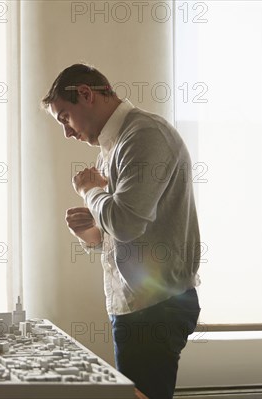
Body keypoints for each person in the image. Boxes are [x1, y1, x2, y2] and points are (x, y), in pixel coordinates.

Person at [41, 64, 201, 399]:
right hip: (135, 306)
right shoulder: (110, 150)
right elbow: (124, 234)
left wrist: (89, 191)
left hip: (157, 307)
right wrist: (93, 236)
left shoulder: (144, 135)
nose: (67, 133)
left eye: (64, 117)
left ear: (86, 94)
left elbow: (126, 223)